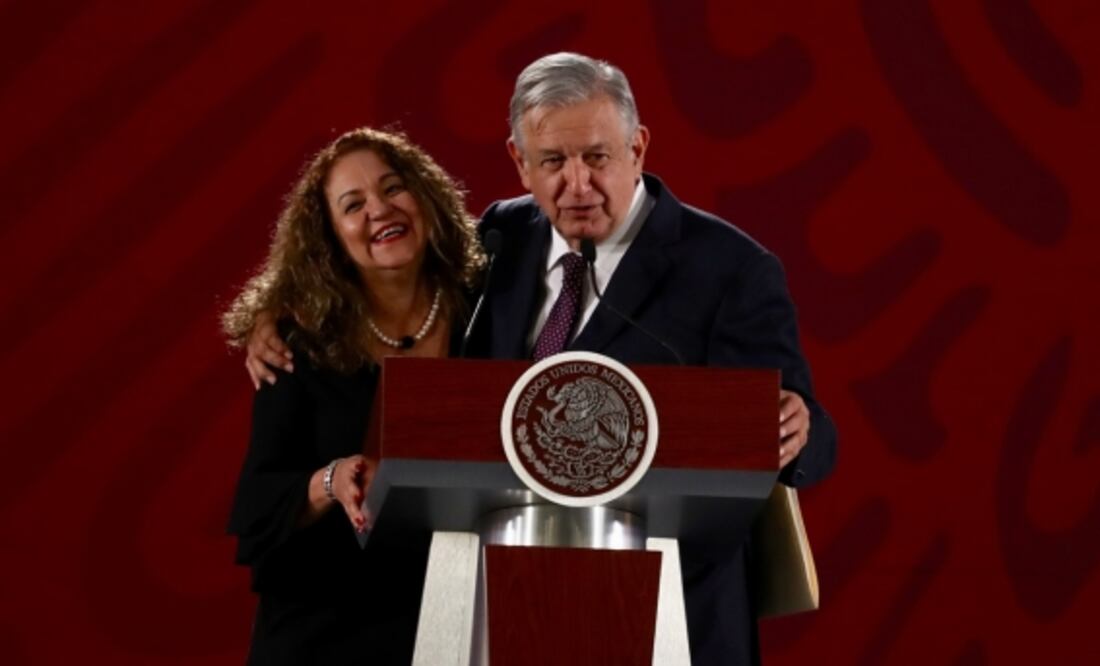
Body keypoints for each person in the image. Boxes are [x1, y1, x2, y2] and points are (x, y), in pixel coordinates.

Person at [246, 53, 836, 665]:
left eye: (597, 158)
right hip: (501, 605)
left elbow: (813, 442)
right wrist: (278, 313)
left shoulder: (730, 270)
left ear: (638, 148)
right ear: (518, 163)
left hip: (672, 617)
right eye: (553, 162)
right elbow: (388, 277)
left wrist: (801, 429)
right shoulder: (503, 236)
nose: (576, 185)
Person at [223, 126, 484, 665]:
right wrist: (330, 479)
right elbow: (256, 506)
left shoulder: (489, 307)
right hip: (324, 629)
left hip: (455, 619)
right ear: (331, 239)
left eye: (393, 188)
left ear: (425, 196)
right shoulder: (300, 344)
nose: (379, 210)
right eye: (353, 204)